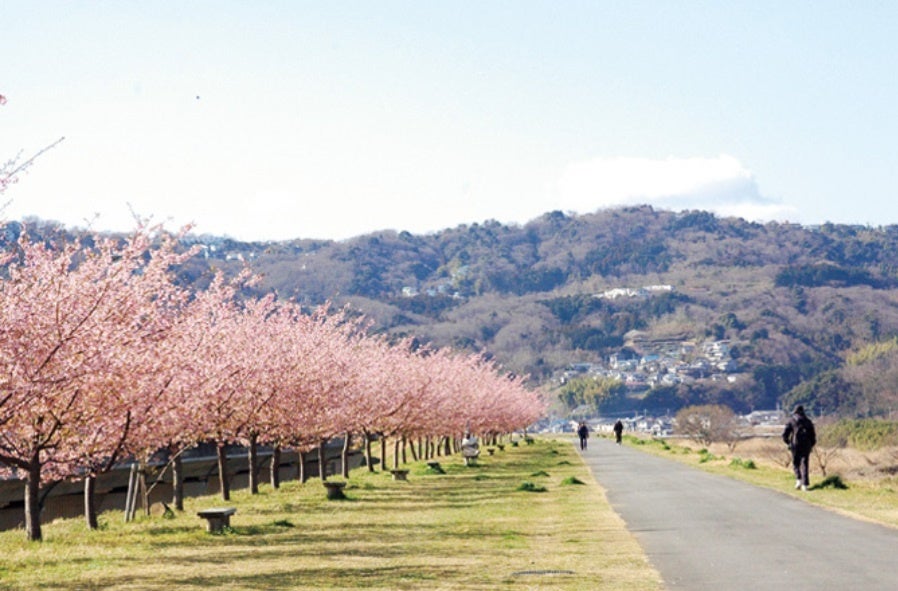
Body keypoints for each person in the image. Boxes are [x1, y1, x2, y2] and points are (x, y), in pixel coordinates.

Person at [782, 405, 816, 491]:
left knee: (796, 463)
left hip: (795, 445)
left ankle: (798, 480)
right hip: (806, 445)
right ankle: (805, 484)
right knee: (805, 464)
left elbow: (785, 434)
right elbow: (813, 436)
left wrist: (788, 443)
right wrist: (811, 445)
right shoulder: (808, 421)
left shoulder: (792, 420)